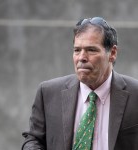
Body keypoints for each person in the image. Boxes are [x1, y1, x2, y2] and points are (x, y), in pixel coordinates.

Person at [21, 17, 138, 150]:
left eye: (91, 50)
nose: (81, 57)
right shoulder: (48, 92)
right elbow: (33, 139)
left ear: (112, 53)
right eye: (77, 50)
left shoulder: (135, 95)